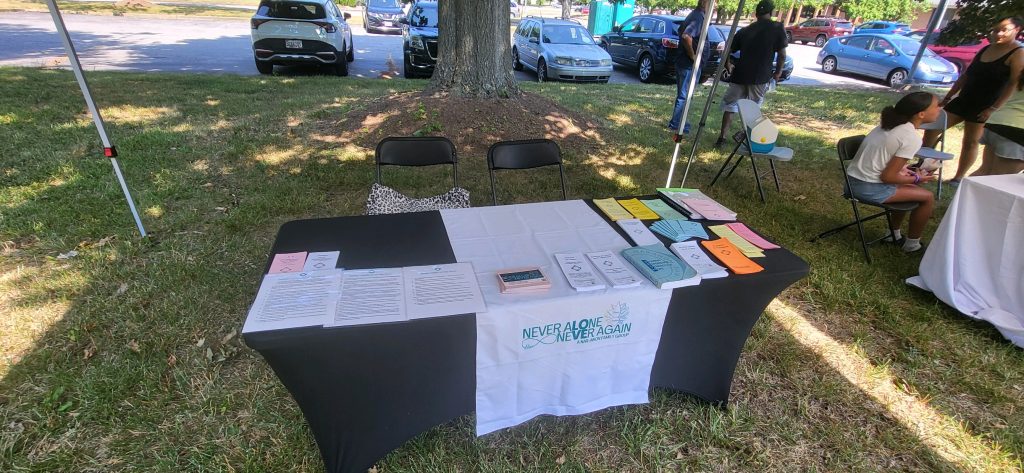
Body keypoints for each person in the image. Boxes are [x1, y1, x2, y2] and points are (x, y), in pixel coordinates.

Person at [925, 16, 1023, 186]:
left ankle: (958, 178)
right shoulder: (985, 49)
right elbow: (966, 75)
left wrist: (993, 108)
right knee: (933, 128)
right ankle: (926, 164)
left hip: (986, 105)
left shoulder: (1018, 53)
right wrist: (949, 96)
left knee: (970, 142)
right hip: (964, 99)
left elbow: (1014, 84)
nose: (998, 33)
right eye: (995, 29)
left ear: (1017, 30)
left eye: (1004, 29)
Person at [847, 92, 941, 253]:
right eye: (936, 106)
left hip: (853, 182)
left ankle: (892, 235)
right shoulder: (910, 136)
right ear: (921, 114)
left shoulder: (890, 125)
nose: (940, 109)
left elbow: (884, 163)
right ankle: (912, 245)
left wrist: (907, 172)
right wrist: (917, 178)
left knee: (907, 187)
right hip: (866, 188)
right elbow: (888, 177)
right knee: (927, 197)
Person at [714, 0, 787, 148]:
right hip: (760, 76)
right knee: (754, 108)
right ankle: (744, 135)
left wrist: (728, 63)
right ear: (771, 12)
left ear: (756, 14)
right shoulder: (777, 28)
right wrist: (778, 72)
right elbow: (782, 55)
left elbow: (728, 48)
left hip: (740, 74)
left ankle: (722, 138)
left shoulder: (745, 30)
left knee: (730, 106)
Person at [666, 0, 711, 134]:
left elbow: (681, 31)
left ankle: (679, 122)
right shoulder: (697, 17)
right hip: (688, 64)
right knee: (685, 95)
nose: (715, 5)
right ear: (704, 2)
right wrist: (693, 56)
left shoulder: (695, 15)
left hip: (685, 63)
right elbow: (686, 35)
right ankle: (677, 124)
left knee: (684, 94)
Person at [973, 64, 1024, 176]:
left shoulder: (1021, 71)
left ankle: (962, 193)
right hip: (1016, 131)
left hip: (996, 123)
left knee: (984, 172)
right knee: (1000, 180)